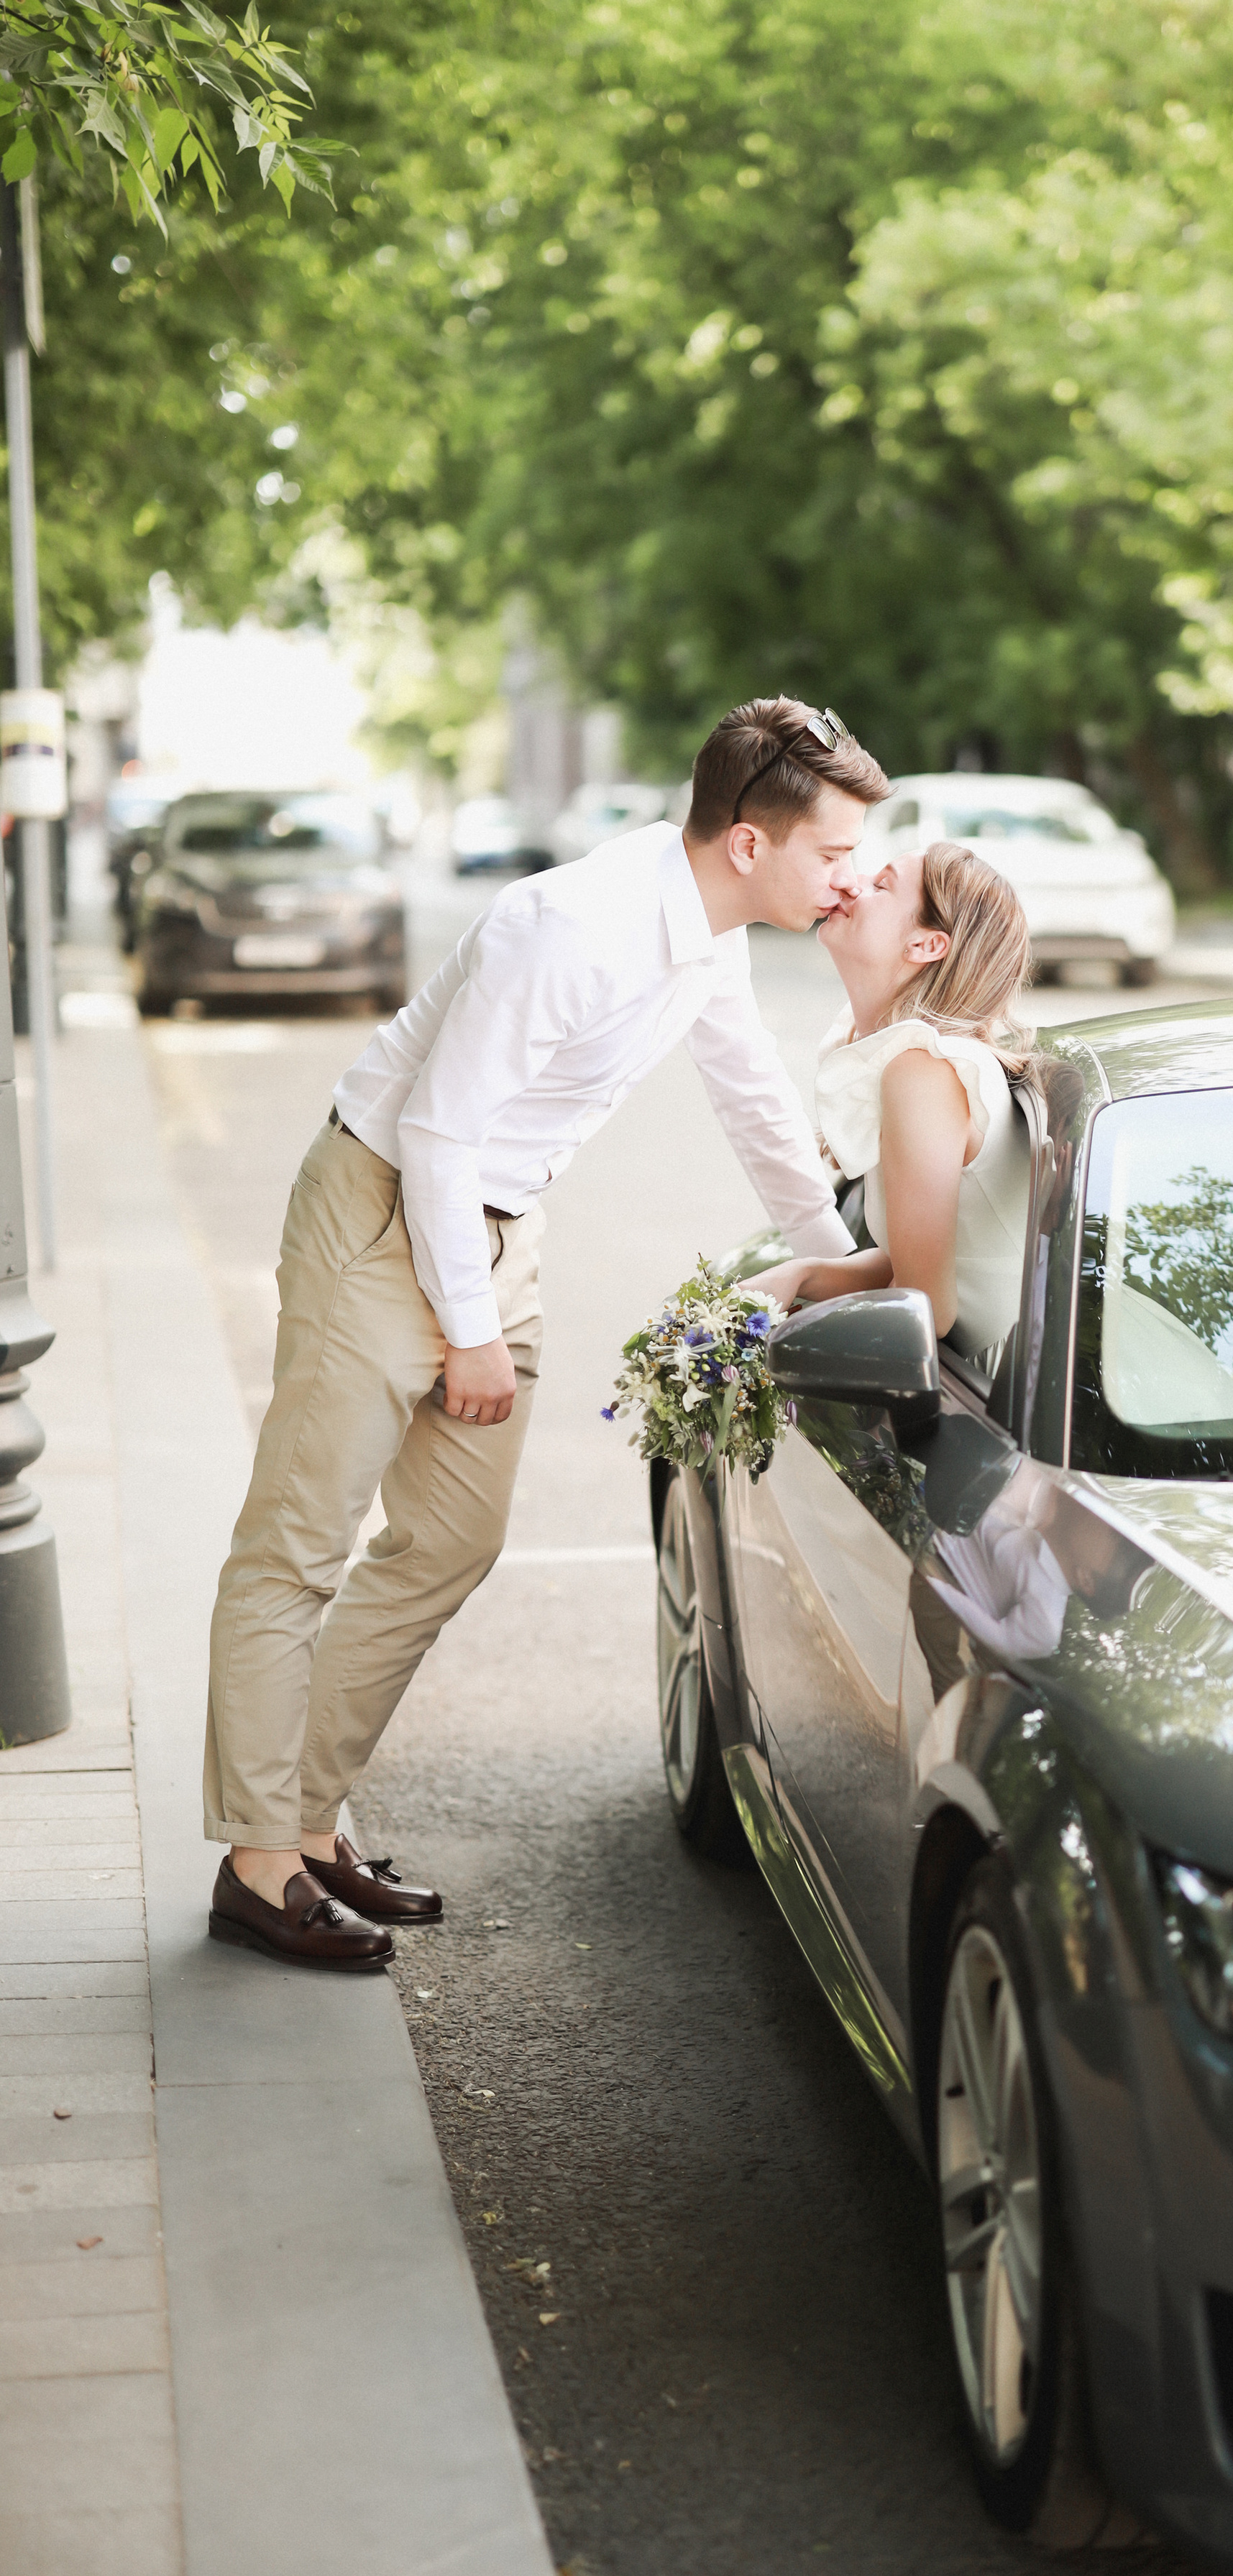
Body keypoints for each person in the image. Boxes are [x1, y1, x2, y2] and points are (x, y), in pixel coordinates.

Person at [203, 697, 886, 1972]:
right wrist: (468, 1328)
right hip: (384, 1213)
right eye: (834, 853)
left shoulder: (712, 938)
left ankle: (301, 1819)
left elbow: (752, 1105)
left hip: (496, 1225)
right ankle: (256, 1865)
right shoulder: (567, 925)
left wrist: (843, 1258)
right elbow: (438, 1132)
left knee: (452, 1542)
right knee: (296, 1544)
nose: (852, 879)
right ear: (751, 842)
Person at [743, 841, 1035, 1361]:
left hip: (1011, 1382)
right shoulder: (915, 1064)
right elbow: (922, 1262)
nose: (852, 884)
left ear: (927, 945)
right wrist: (802, 1274)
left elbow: (926, 1305)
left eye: (882, 886)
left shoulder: (925, 1070)